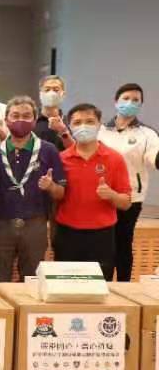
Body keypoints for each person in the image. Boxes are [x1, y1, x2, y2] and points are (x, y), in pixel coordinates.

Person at [0, 96, 66, 282]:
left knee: (31, 280)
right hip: (0, 224)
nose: (20, 120)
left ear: (35, 120)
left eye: (26, 115)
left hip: (35, 224)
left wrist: (51, 186)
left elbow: (61, 193)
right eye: (15, 116)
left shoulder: (49, 150)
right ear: (6, 120)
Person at [54, 103, 131, 281]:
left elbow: (126, 203)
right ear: (69, 127)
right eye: (77, 122)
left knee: (100, 288)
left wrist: (111, 195)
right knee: (64, 287)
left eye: (89, 121)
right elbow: (55, 195)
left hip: (102, 236)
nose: (83, 126)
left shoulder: (115, 159)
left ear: (99, 125)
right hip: (67, 235)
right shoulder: (61, 159)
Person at [99, 83, 159, 282]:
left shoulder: (147, 134)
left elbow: (154, 159)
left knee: (123, 243)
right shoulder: (100, 130)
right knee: (104, 245)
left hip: (131, 198)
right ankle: (104, 285)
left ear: (140, 104)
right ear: (116, 101)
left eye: (135, 100)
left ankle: (124, 285)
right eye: (126, 98)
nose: (130, 103)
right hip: (101, 195)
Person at [34, 75, 73, 151]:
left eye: (56, 90)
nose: (51, 93)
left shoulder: (69, 122)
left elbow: (76, 151)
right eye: (47, 89)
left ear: (63, 94)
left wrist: (63, 131)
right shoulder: (32, 120)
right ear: (40, 94)